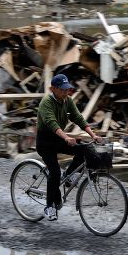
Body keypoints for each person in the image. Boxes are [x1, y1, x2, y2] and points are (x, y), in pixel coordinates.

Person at [36, 74, 100, 221]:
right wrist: (66, 137)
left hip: (59, 139)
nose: (66, 93)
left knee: (84, 149)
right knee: (55, 171)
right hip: (45, 143)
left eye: (67, 90)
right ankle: (49, 207)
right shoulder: (46, 102)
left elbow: (78, 118)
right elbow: (52, 123)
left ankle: (68, 174)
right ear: (53, 89)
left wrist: (93, 135)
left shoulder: (67, 101)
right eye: (62, 90)